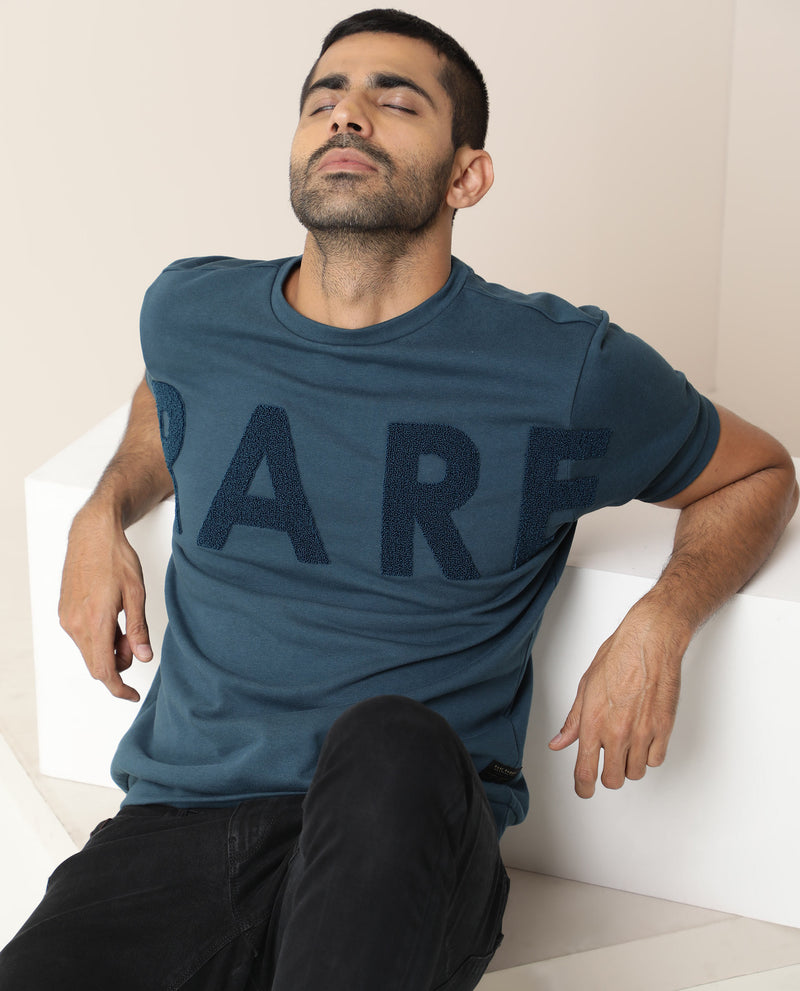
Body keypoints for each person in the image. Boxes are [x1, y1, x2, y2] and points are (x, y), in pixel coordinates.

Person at [1, 8, 796, 990]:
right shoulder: (191, 311)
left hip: (403, 829)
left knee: (389, 736)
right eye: (323, 100)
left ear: (467, 176)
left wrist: (662, 619)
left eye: (396, 101)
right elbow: (168, 397)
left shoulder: (562, 370)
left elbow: (758, 471)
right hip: (179, 825)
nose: (347, 116)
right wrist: (103, 508)